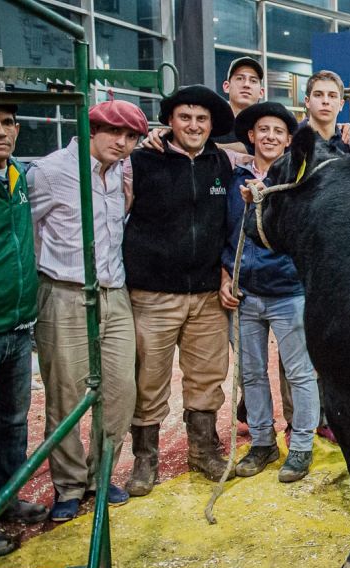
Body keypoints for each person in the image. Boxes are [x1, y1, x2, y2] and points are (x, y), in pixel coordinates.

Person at [28, 100, 148, 521]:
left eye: (132, 136)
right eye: (115, 133)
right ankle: (68, 485)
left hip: (113, 293)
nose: (123, 143)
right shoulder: (49, 171)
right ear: (91, 129)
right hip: (64, 292)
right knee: (65, 394)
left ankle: (101, 477)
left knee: (120, 393)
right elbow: (27, 232)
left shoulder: (123, 173)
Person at [123, 85, 237, 496]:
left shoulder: (220, 162)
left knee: (207, 376)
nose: (193, 125)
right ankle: (145, 459)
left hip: (207, 294)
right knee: (149, 379)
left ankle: (203, 451)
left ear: (210, 126)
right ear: (169, 121)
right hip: (153, 294)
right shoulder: (140, 162)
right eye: (185, 117)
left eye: (201, 119)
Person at [221, 102, 321, 482]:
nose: (270, 136)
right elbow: (226, 232)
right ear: (251, 135)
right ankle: (261, 443)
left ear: (288, 140)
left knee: (299, 372)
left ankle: (300, 447)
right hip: (245, 291)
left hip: (288, 290)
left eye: (278, 131)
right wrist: (224, 278)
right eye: (263, 129)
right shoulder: (235, 177)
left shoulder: (298, 181)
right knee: (251, 373)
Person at [0, 102, 48, 557]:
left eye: (6, 123)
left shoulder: (19, 178)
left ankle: (4, 500)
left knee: (10, 422)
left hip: (17, 323)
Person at [212, 56, 264, 152]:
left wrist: (216, 147)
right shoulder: (212, 122)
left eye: (253, 81)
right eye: (240, 78)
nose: (246, 85)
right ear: (226, 86)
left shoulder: (267, 126)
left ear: (261, 92)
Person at [299, 69, 350, 154]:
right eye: (318, 95)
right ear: (307, 101)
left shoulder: (349, 142)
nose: (325, 101)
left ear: (341, 104)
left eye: (332, 96)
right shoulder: (291, 138)